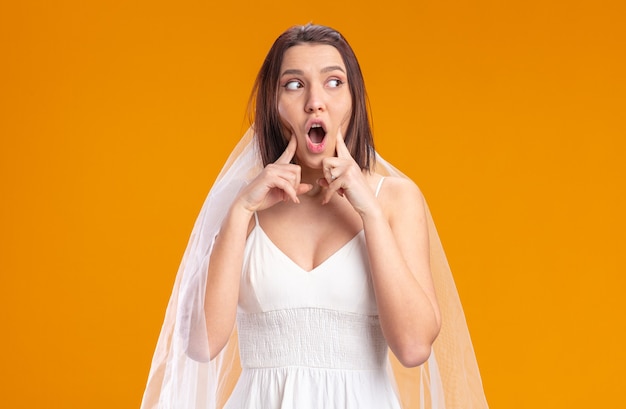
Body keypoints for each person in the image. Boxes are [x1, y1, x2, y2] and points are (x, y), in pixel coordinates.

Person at [141, 24, 488, 409]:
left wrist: (368, 212)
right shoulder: (239, 202)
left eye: (334, 82)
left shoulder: (394, 200)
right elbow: (200, 345)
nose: (315, 102)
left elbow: (413, 347)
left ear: (354, 99)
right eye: (294, 85)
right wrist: (240, 211)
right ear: (272, 105)